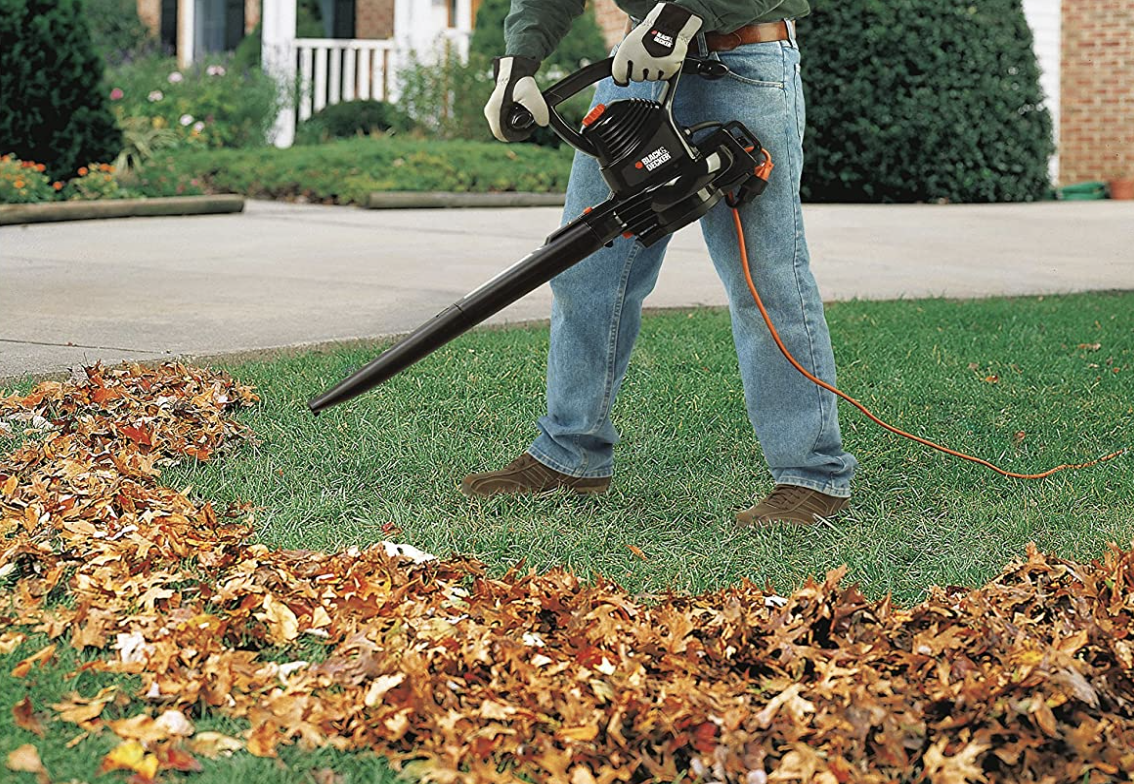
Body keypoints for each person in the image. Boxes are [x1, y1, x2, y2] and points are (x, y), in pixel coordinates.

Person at [468, 0, 857, 527]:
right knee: (587, 271)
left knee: (765, 281)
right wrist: (520, 60)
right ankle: (570, 454)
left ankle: (811, 476)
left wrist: (679, 17)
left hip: (742, 63)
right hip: (635, 71)